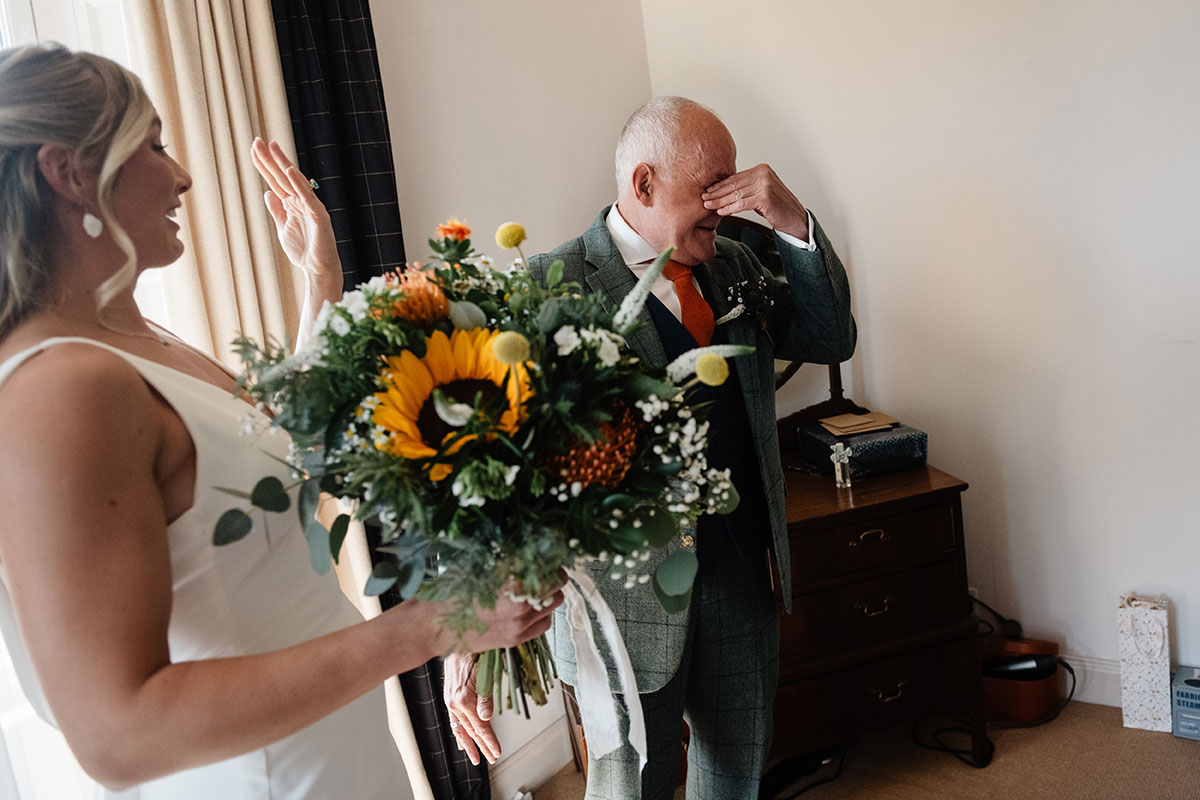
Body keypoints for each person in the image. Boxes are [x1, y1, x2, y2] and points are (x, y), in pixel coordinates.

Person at [0, 43, 562, 799]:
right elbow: (118, 734)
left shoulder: (134, 337)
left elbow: (265, 451)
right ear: (68, 172)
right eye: (154, 145)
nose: (182, 176)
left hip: (335, 753)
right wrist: (432, 625)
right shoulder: (58, 389)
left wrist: (318, 283)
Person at [445, 96, 857, 798]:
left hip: (740, 576)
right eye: (711, 185)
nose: (728, 203)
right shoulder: (548, 286)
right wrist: (464, 632)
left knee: (735, 780)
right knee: (633, 788)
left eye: (734, 183)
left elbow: (828, 338)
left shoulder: (736, 264)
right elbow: (493, 472)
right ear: (643, 184)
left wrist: (791, 221)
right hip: (622, 606)